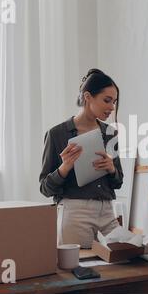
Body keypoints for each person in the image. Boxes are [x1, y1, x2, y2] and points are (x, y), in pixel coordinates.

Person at [40, 69, 123, 248]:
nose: (112, 107)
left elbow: (118, 181)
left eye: (114, 101)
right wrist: (64, 168)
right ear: (88, 97)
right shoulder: (56, 134)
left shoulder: (111, 133)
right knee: (78, 269)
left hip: (108, 211)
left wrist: (111, 168)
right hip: (75, 213)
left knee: (122, 261)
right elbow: (45, 188)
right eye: (107, 100)